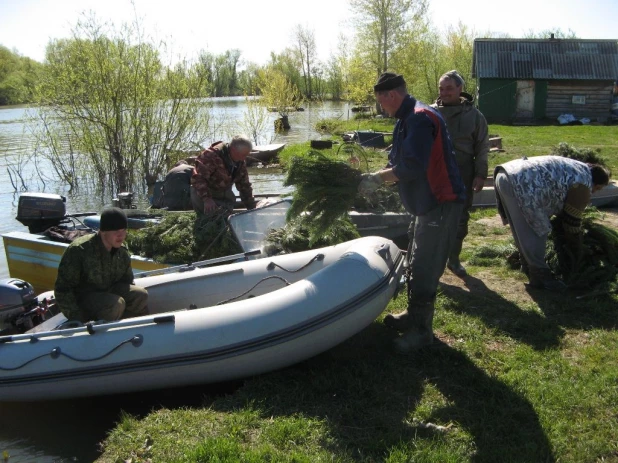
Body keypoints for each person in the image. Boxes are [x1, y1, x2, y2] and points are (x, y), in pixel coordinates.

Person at [358, 72, 466, 353]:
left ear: (390, 96)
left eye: (381, 102)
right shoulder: (407, 119)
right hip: (424, 204)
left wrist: (377, 179)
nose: (381, 107)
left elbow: (412, 167)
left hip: (439, 203)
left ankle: (422, 332)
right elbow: (399, 158)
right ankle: (413, 315)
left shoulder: (419, 118)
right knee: (415, 260)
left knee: (425, 266)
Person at [494, 155, 611, 291]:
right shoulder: (583, 186)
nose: (594, 193)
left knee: (520, 228)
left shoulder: (578, 168)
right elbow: (571, 223)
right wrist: (577, 247)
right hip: (522, 183)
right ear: (596, 184)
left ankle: (527, 264)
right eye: (598, 189)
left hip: (505, 174)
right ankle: (541, 277)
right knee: (537, 229)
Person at [431, 70, 489, 277]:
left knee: (460, 217)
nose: (444, 93)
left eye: (449, 88)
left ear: (460, 89)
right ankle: (429, 259)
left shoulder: (474, 116)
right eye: (441, 89)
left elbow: (482, 147)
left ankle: (453, 259)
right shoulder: (430, 113)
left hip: (462, 172)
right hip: (434, 173)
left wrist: (480, 174)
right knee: (430, 215)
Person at [55, 207, 149, 322]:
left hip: (108, 293)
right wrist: (77, 317)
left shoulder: (122, 252)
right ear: (103, 231)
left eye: (123, 230)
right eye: (116, 231)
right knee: (116, 304)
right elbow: (63, 289)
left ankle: (129, 325)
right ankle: (102, 333)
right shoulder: (80, 250)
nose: (121, 235)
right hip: (83, 298)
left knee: (141, 295)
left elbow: (127, 281)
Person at [190, 136, 257, 214]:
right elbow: (198, 179)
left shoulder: (240, 162)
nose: (243, 159)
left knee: (227, 218)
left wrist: (252, 208)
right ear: (233, 150)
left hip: (224, 194)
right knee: (211, 219)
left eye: (246, 155)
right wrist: (207, 199)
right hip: (204, 194)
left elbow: (244, 186)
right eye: (243, 155)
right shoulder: (210, 156)